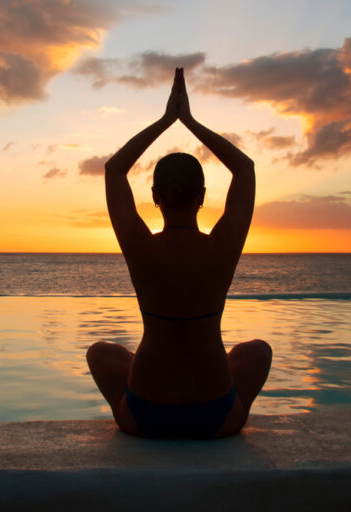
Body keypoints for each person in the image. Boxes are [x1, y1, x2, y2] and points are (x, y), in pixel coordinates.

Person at [86, 68, 272, 439]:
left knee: (100, 353)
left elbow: (114, 169)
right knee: (257, 352)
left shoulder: (141, 247)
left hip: (144, 415)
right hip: (216, 416)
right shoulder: (222, 247)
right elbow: (245, 169)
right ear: (202, 197)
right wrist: (190, 121)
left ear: (155, 197)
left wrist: (165, 121)